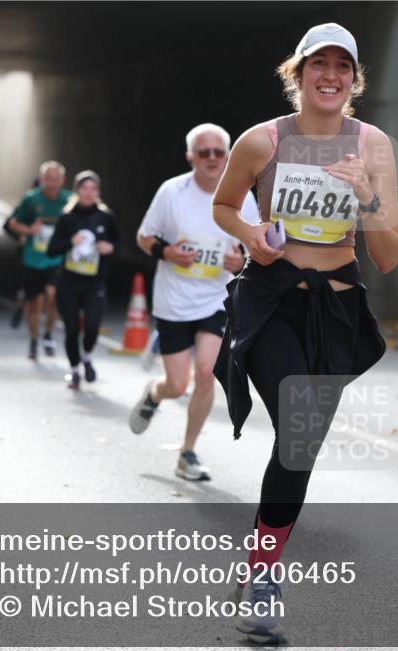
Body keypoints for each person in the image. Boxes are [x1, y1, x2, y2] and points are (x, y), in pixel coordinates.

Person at [211, 23, 398, 643]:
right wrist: (251, 239)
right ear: (298, 74)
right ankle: (264, 581)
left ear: (354, 78)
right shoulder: (262, 141)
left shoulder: (373, 146)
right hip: (271, 304)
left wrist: (368, 197)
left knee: (302, 444)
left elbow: (392, 255)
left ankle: (258, 566)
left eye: (341, 67)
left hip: (336, 310)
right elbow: (224, 206)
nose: (330, 76)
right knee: (297, 426)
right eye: (318, 64)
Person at [129, 123, 257, 482]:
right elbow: (143, 237)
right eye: (205, 152)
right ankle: (155, 393)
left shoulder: (244, 197)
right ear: (191, 157)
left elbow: (257, 246)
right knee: (177, 384)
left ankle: (187, 452)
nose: (213, 158)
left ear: (228, 155)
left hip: (218, 299)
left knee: (206, 373)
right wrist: (166, 252)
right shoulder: (172, 192)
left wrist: (242, 260)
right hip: (173, 300)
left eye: (219, 151)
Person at [46, 171, 120, 389]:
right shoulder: (67, 218)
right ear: (77, 190)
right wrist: (70, 241)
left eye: (93, 189)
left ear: (98, 192)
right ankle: (75, 370)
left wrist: (110, 247)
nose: (88, 193)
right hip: (68, 282)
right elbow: (51, 250)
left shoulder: (106, 217)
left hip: (94, 282)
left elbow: (119, 244)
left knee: (92, 326)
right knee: (71, 329)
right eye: (84, 188)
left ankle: (86, 355)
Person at [8, 162, 70, 359]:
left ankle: (49, 333)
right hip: (33, 258)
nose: (52, 183)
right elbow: (13, 223)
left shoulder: (69, 200)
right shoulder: (31, 199)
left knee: (53, 297)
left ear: (62, 180)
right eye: (48, 179)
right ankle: (34, 339)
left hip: (56, 258)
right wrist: (28, 230)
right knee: (35, 303)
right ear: (43, 180)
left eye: (56, 179)